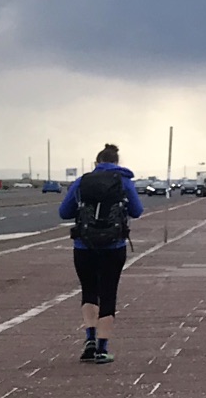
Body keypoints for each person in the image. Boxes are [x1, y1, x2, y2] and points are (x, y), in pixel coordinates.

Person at [57, 145, 144, 363]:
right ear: (117, 162)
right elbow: (137, 210)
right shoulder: (123, 181)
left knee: (89, 290)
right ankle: (103, 348)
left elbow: (64, 212)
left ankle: (89, 338)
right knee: (108, 292)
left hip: (83, 246)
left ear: (96, 162)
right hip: (114, 247)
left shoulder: (82, 181)